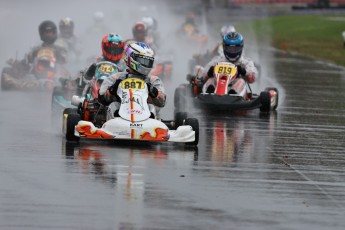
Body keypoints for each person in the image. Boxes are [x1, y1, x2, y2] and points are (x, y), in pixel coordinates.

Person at [99, 42, 166, 120]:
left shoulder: (153, 80)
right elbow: (102, 99)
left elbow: (162, 102)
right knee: (113, 105)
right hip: (121, 116)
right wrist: (112, 90)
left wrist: (153, 91)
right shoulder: (115, 78)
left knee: (151, 107)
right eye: (143, 61)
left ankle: (154, 128)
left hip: (145, 118)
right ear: (131, 58)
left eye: (148, 62)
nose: (146, 64)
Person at [199, 32, 257, 99]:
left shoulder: (245, 62)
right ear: (224, 47)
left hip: (236, 94)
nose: (232, 51)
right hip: (217, 90)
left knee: (241, 81)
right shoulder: (218, 60)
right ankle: (208, 94)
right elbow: (202, 78)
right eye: (229, 48)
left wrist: (244, 72)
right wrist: (208, 73)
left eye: (235, 49)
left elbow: (252, 78)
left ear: (241, 47)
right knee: (211, 80)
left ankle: (233, 94)